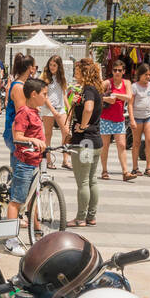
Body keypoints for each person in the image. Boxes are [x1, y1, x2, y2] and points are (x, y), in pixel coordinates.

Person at [5, 77, 48, 254]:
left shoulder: (35, 112)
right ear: (33, 94)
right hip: (25, 163)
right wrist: (32, 140)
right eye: (44, 94)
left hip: (36, 161)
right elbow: (18, 137)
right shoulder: (23, 113)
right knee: (17, 200)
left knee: (31, 198)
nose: (46, 98)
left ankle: (35, 230)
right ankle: (10, 239)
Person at [67, 57, 104, 227]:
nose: (75, 73)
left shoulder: (89, 89)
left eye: (77, 70)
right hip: (95, 140)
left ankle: (81, 217)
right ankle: (91, 216)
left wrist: (82, 126)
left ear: (84, 72)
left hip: (84, 142)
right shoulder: (96, 89)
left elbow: (89, 108)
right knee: (92, 180)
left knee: (83, 181)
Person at [100, 58, 133, 180]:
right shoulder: (107, 83)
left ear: (124, 71)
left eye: (119, 70)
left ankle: (125, 172)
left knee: (122, 145)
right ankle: (104, 171)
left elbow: (129, 97)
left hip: (119, 119)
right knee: (105, 146)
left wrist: (116, 95)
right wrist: (107, 99)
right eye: (115, 70)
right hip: (106, 118)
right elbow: (97, 96)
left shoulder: (126, 83)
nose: (117, 72)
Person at [130, 62, 150, 177]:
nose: (148, 77)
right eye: (146, 74)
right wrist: (132, 119)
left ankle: (148, 167)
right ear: (140, 74)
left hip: (148, 117)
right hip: (137, 118)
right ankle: (135, 167)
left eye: (149, 74)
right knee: (136, 142)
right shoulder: (134, 87)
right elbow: (131, 104)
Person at [40, 54, 70, 167]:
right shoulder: (44, 77)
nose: (52, 67)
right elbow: (44, 96)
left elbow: (64, 94)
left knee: (66, 132)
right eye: (50, 65)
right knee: (48, 134)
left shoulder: (61, 77)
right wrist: (53, 111)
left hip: (60, 108)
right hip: (48, 109)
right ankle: (48, 160)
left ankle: (65, 160)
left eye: (54, 65)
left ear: (59, 66)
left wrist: (69, 108)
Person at [3, 53, 36, 152]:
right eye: (35, 66)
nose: (35, 69)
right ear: (30, 68)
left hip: (18, 130)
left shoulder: (22, 84)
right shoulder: (19, 87)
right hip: (17, 132)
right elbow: (21, 113)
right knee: (20, 165)